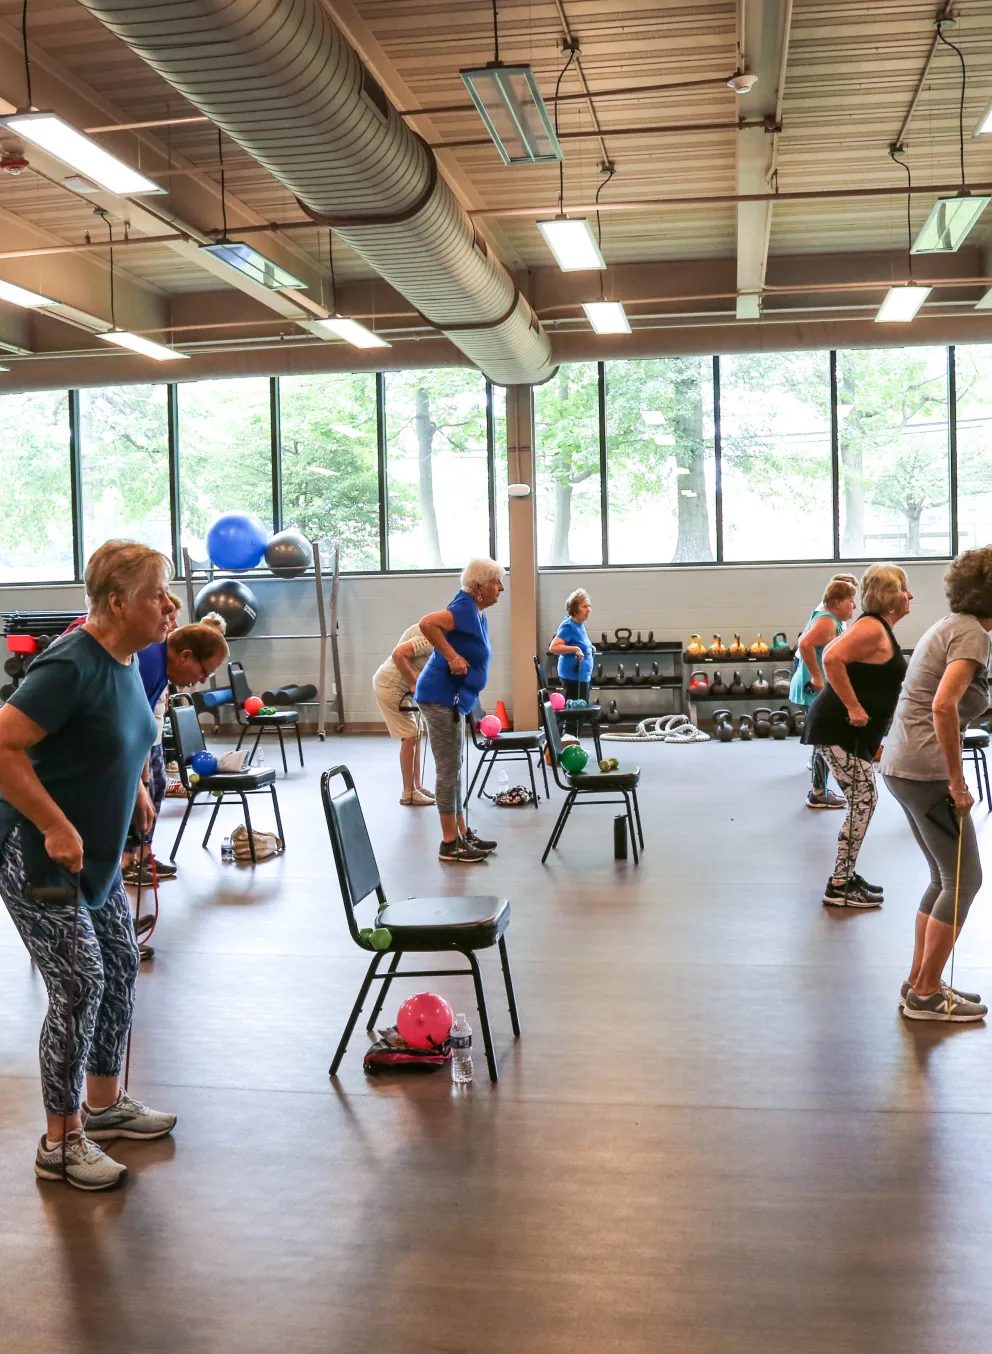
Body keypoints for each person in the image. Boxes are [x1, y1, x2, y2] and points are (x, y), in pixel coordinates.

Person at [0, 540, 179, 1191]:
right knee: (79, 982)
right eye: (158, 594)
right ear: (115, 602)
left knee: (121, 964)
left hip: (93, 846)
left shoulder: (127, 659)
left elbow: (119, 731)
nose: (171, 605)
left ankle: (103, 1107)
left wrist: (133, 791)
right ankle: (61, 1141)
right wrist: (53, 822)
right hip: (37, 850)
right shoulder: (72, 663)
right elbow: (4, 745)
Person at [881, 548, 992, 1023]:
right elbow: (944, 706)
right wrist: (956, 778)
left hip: (902, 764)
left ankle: (918, 984)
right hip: (925, 771)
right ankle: (926, 994)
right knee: (966, 880)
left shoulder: (953, 625)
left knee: (944, 878)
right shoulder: (971, 634)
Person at [802, 565, 911, 908]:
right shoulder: (871, 628)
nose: (911, 596)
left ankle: (844, 877)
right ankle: (839, 884)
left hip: (847, 732)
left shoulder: (876, 628)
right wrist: (853, 707)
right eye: (905, 589)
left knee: (863, 799)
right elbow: (831, 656)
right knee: (864, 799)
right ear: (891, 596)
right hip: (837, 728)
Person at [123, 613, 231, 889]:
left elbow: (143, 725)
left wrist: (146, 777)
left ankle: (137, 859)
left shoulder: (162, 667)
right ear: (185, 656)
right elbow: (125, 725)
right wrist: (138, 781)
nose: (202, 681)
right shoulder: (147, 662)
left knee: (153, 789)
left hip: (135, 746)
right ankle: (124, 864)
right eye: (205, 672)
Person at [416, 557, 505, 864]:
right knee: (448, 770)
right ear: (479, 587)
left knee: (455, 767)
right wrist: (451, 656)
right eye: (497, 583)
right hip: (440, 697)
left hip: (453, 698)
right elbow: (427, 623)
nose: (501, 588)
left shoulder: (475, 611)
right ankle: (449, 844)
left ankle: (462, 832)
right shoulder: (464, 608)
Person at [791, 575, 859, 809]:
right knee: (826, 740)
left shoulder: (830, 620)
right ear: (838, 602)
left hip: (817, 689)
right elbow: (804, 644)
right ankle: (818, 793)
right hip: (813, 690)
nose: (855, 606)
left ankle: (819, 790)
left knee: (824, 741)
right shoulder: (827, 621)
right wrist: (818, 677)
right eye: (852, 600)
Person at [372, 623, 436, 806]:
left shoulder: (436, 633)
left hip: (401, 687)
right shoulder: (430, 637)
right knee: (409, 735)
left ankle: (416, 786)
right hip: (390, 685)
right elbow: (398, 654)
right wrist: (414, 681)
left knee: (417, 731)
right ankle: (408, 792)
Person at [549, 588, 595, 702]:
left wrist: (589, 648)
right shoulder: (569, 625)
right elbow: (553, 648)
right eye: (584, 607)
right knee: (576, 712)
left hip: (583, 677)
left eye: (589, 606)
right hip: (573, 677)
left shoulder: (580, 624)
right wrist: (576, 649)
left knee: (582, 710)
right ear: (575, 610)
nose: (588, 610)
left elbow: (580, 642)